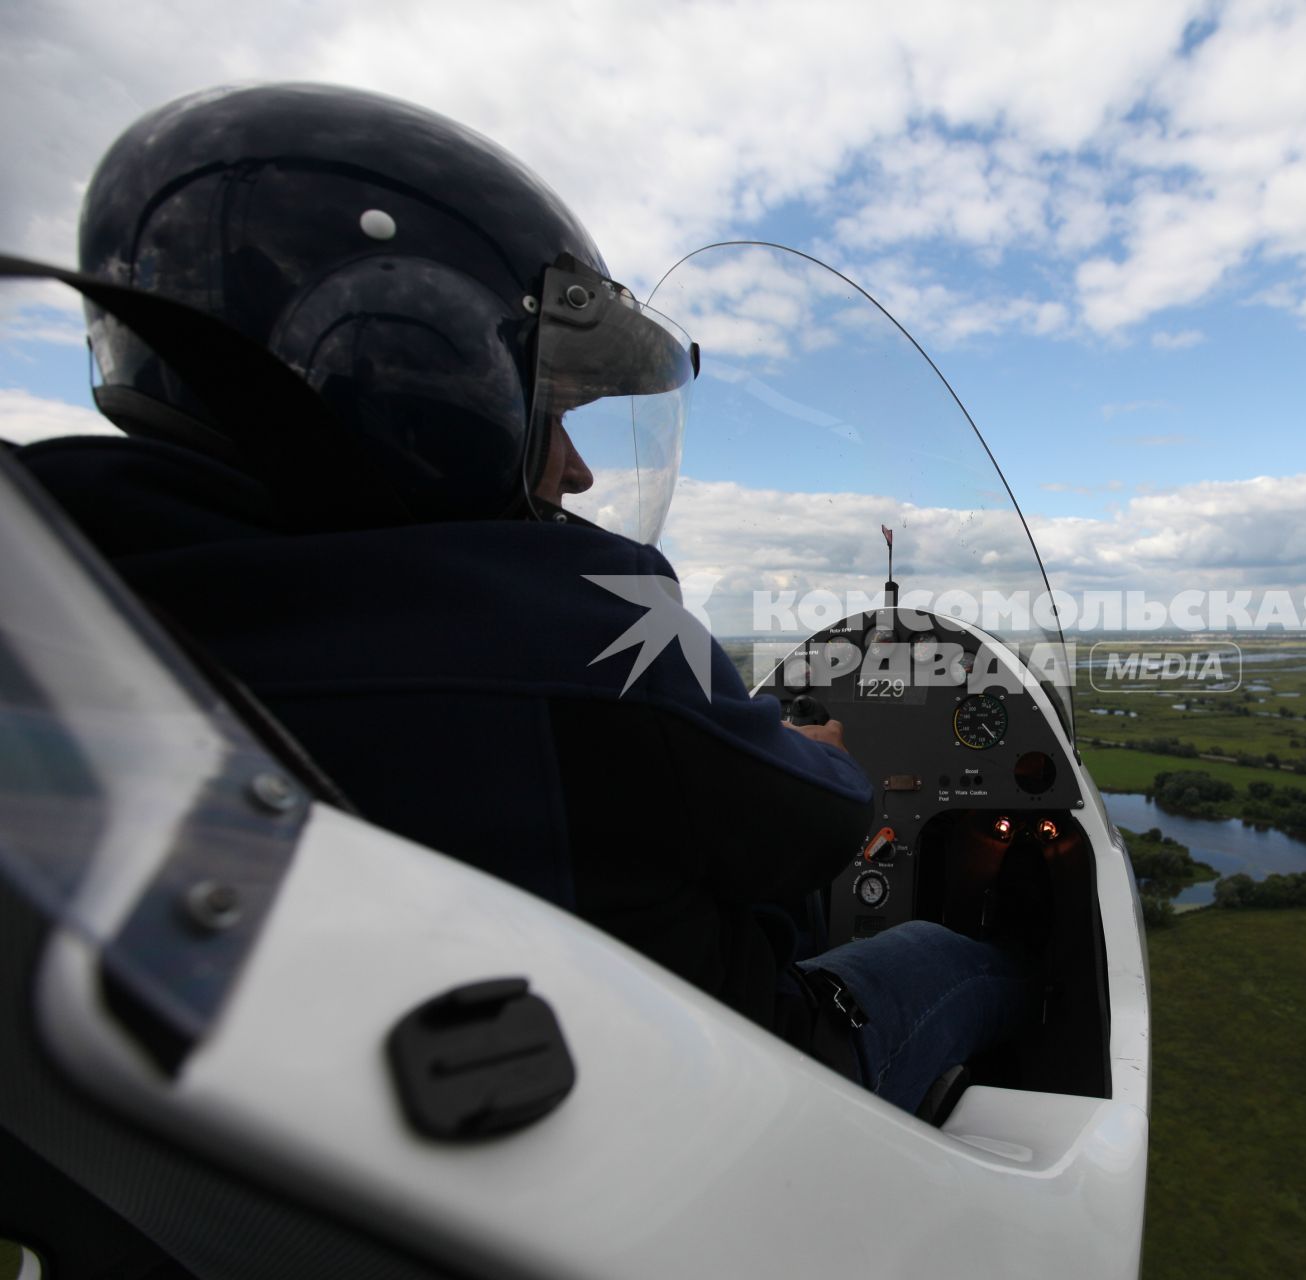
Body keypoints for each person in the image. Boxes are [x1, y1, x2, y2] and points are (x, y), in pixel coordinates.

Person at [12, 82, 1033, 1114]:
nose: (581, 472)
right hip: (700, 1095)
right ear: (415, 366)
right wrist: (816, 747)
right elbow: (823, 821)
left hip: (333, 1101)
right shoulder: (572, 631)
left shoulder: (62, 593)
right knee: (967, 959)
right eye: (556, 411)